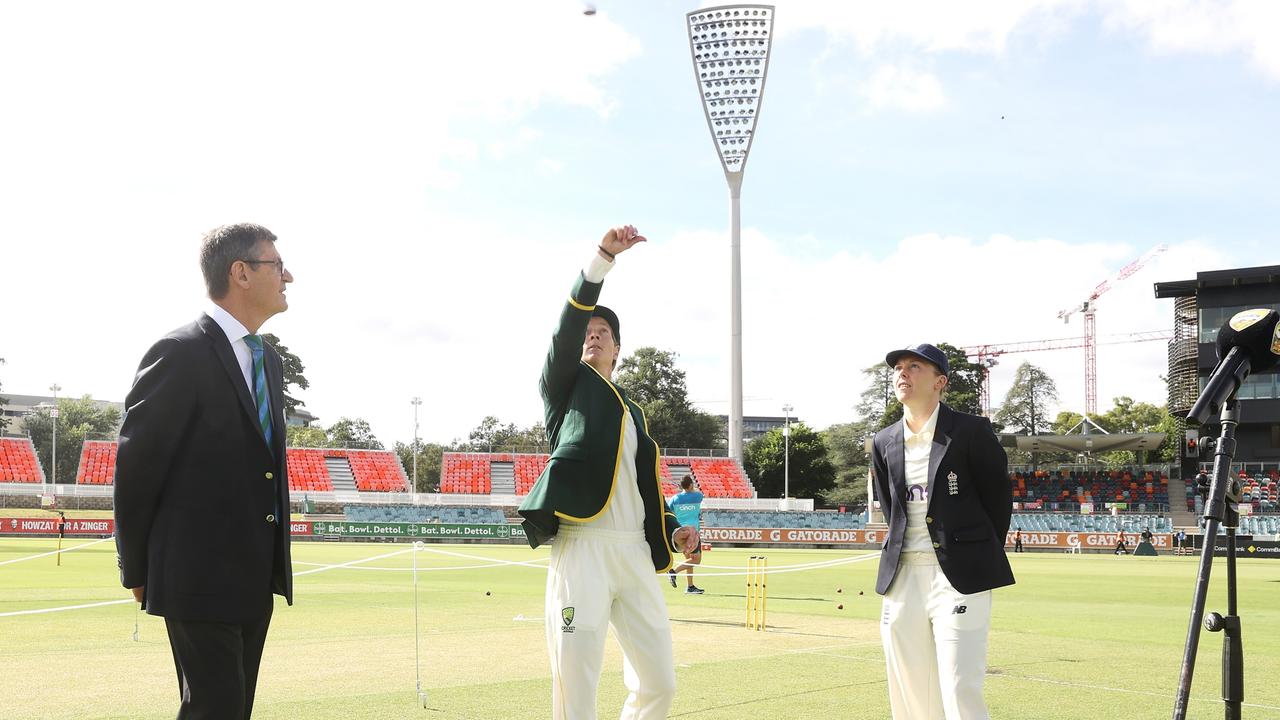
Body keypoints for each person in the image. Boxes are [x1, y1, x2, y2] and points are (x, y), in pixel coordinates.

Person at [517, 225, 699, 720]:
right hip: (583, 546)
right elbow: (565, 330)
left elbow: (646, 492)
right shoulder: (563, 392)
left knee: (659, 680)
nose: (594, 335)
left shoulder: (634, 412)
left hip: (633, 552)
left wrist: (675, 530)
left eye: (605, 333)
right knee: (576, 682)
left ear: (618, 350)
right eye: (588, 332)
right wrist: (601, 261)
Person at [114, 223, 294, 719]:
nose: (289, 276)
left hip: (255, 578)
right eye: (277, 265)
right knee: (214, 710)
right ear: (241, 273)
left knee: (233, 711)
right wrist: (136, 568)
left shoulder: (267, 361)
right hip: (196, 575)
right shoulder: (180, 351)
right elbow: (137, 464)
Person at [870, 343, 1013, 720]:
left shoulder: (971, 430)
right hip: (902, 577)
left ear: (940, 381)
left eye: (914, 366)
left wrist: (975, 554)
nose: (903, 372)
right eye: (899, 367)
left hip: (958, 574)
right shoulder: (883, 441)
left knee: (958, 684)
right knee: (908, 685)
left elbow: (998, 499)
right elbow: (891, 509)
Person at [669, 474, 706, 594]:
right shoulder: (697, 496)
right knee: (696, 560)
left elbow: (670, 511)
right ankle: (674, 572)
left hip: (680, 533)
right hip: (692, 533)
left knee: (689, 560)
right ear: (691, 485)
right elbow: (701, 495)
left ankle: (690, 587)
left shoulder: (675, 499)